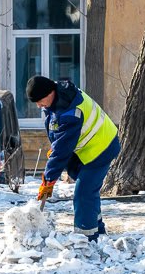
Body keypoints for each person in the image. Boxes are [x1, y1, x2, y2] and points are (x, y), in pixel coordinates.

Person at [27, 75, 122, 239]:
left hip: (101, 148)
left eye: (40, 101)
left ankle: (86, 240)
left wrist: (49, 179)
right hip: (87, 149)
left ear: (50, 92)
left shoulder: (70, 111)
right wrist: (56, 147)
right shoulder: (58, 98)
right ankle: (98, 230)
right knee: (89, 191)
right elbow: (59, 136)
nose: (38, 105)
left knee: (83, 193)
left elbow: (63, 149)